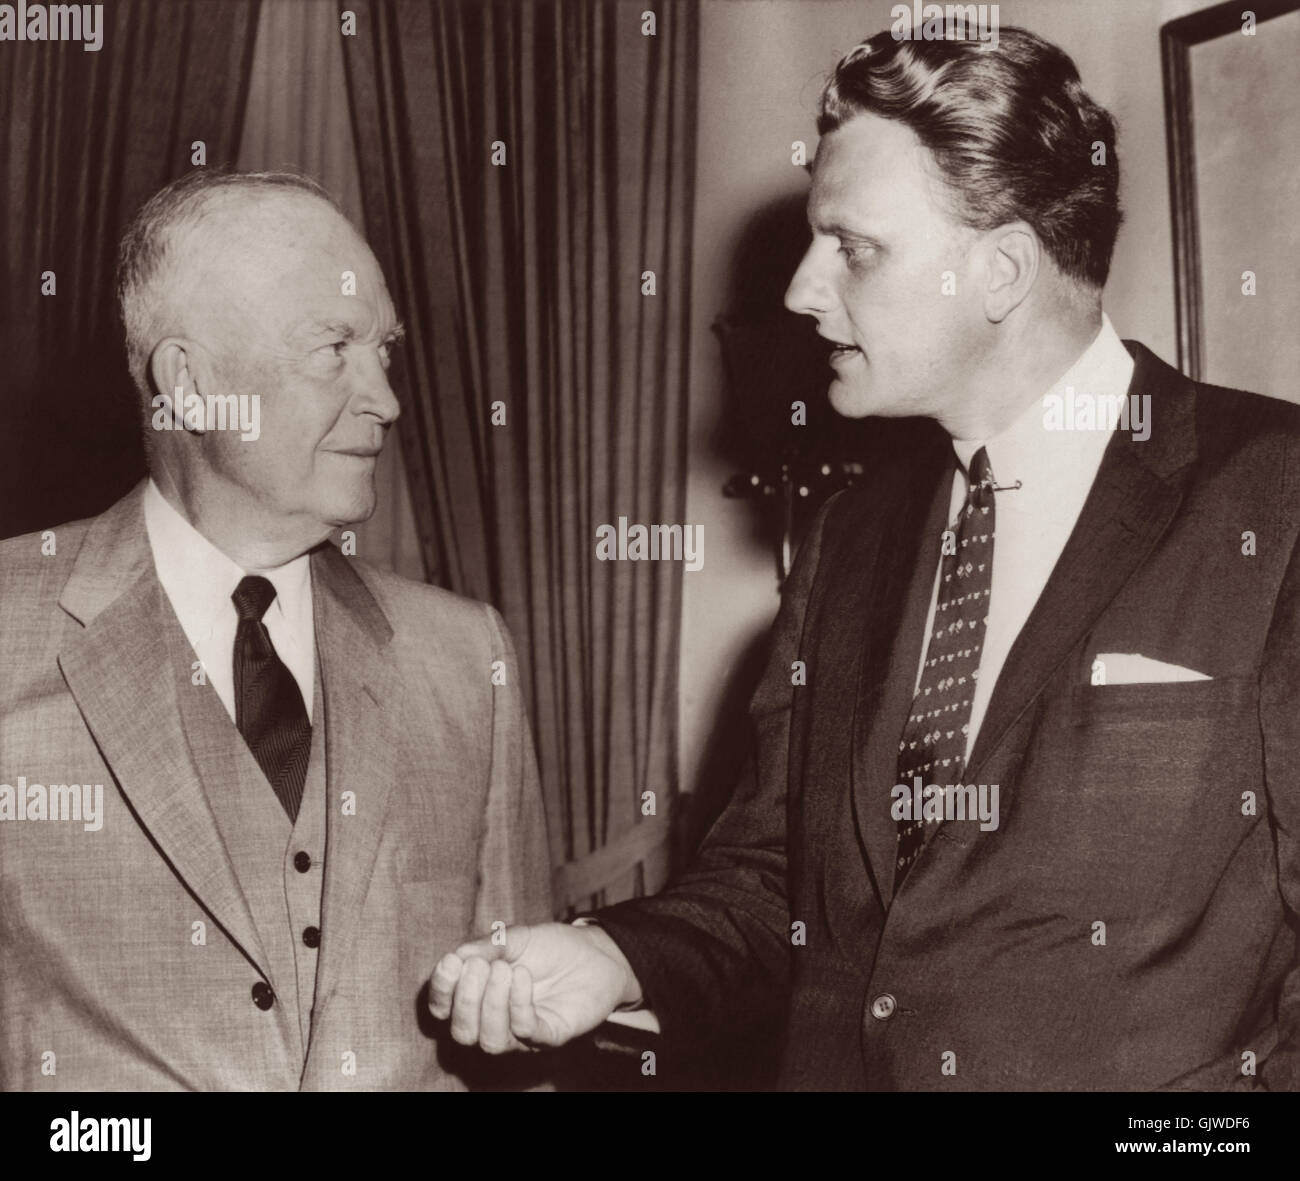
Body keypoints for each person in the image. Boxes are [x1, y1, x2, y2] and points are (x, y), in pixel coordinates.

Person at [429, 26, 1300, 1090]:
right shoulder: (851, 532)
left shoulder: (1275, 498)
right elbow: (774, 876)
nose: (799, 291)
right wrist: (615, 953)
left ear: (1002, 269)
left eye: (853, 246)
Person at [0, 170, 551, 1090]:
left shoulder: (467, 659)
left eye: (385, 350)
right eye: (333, 347)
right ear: (189, 380)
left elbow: (521, 1047)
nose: (386, 398)